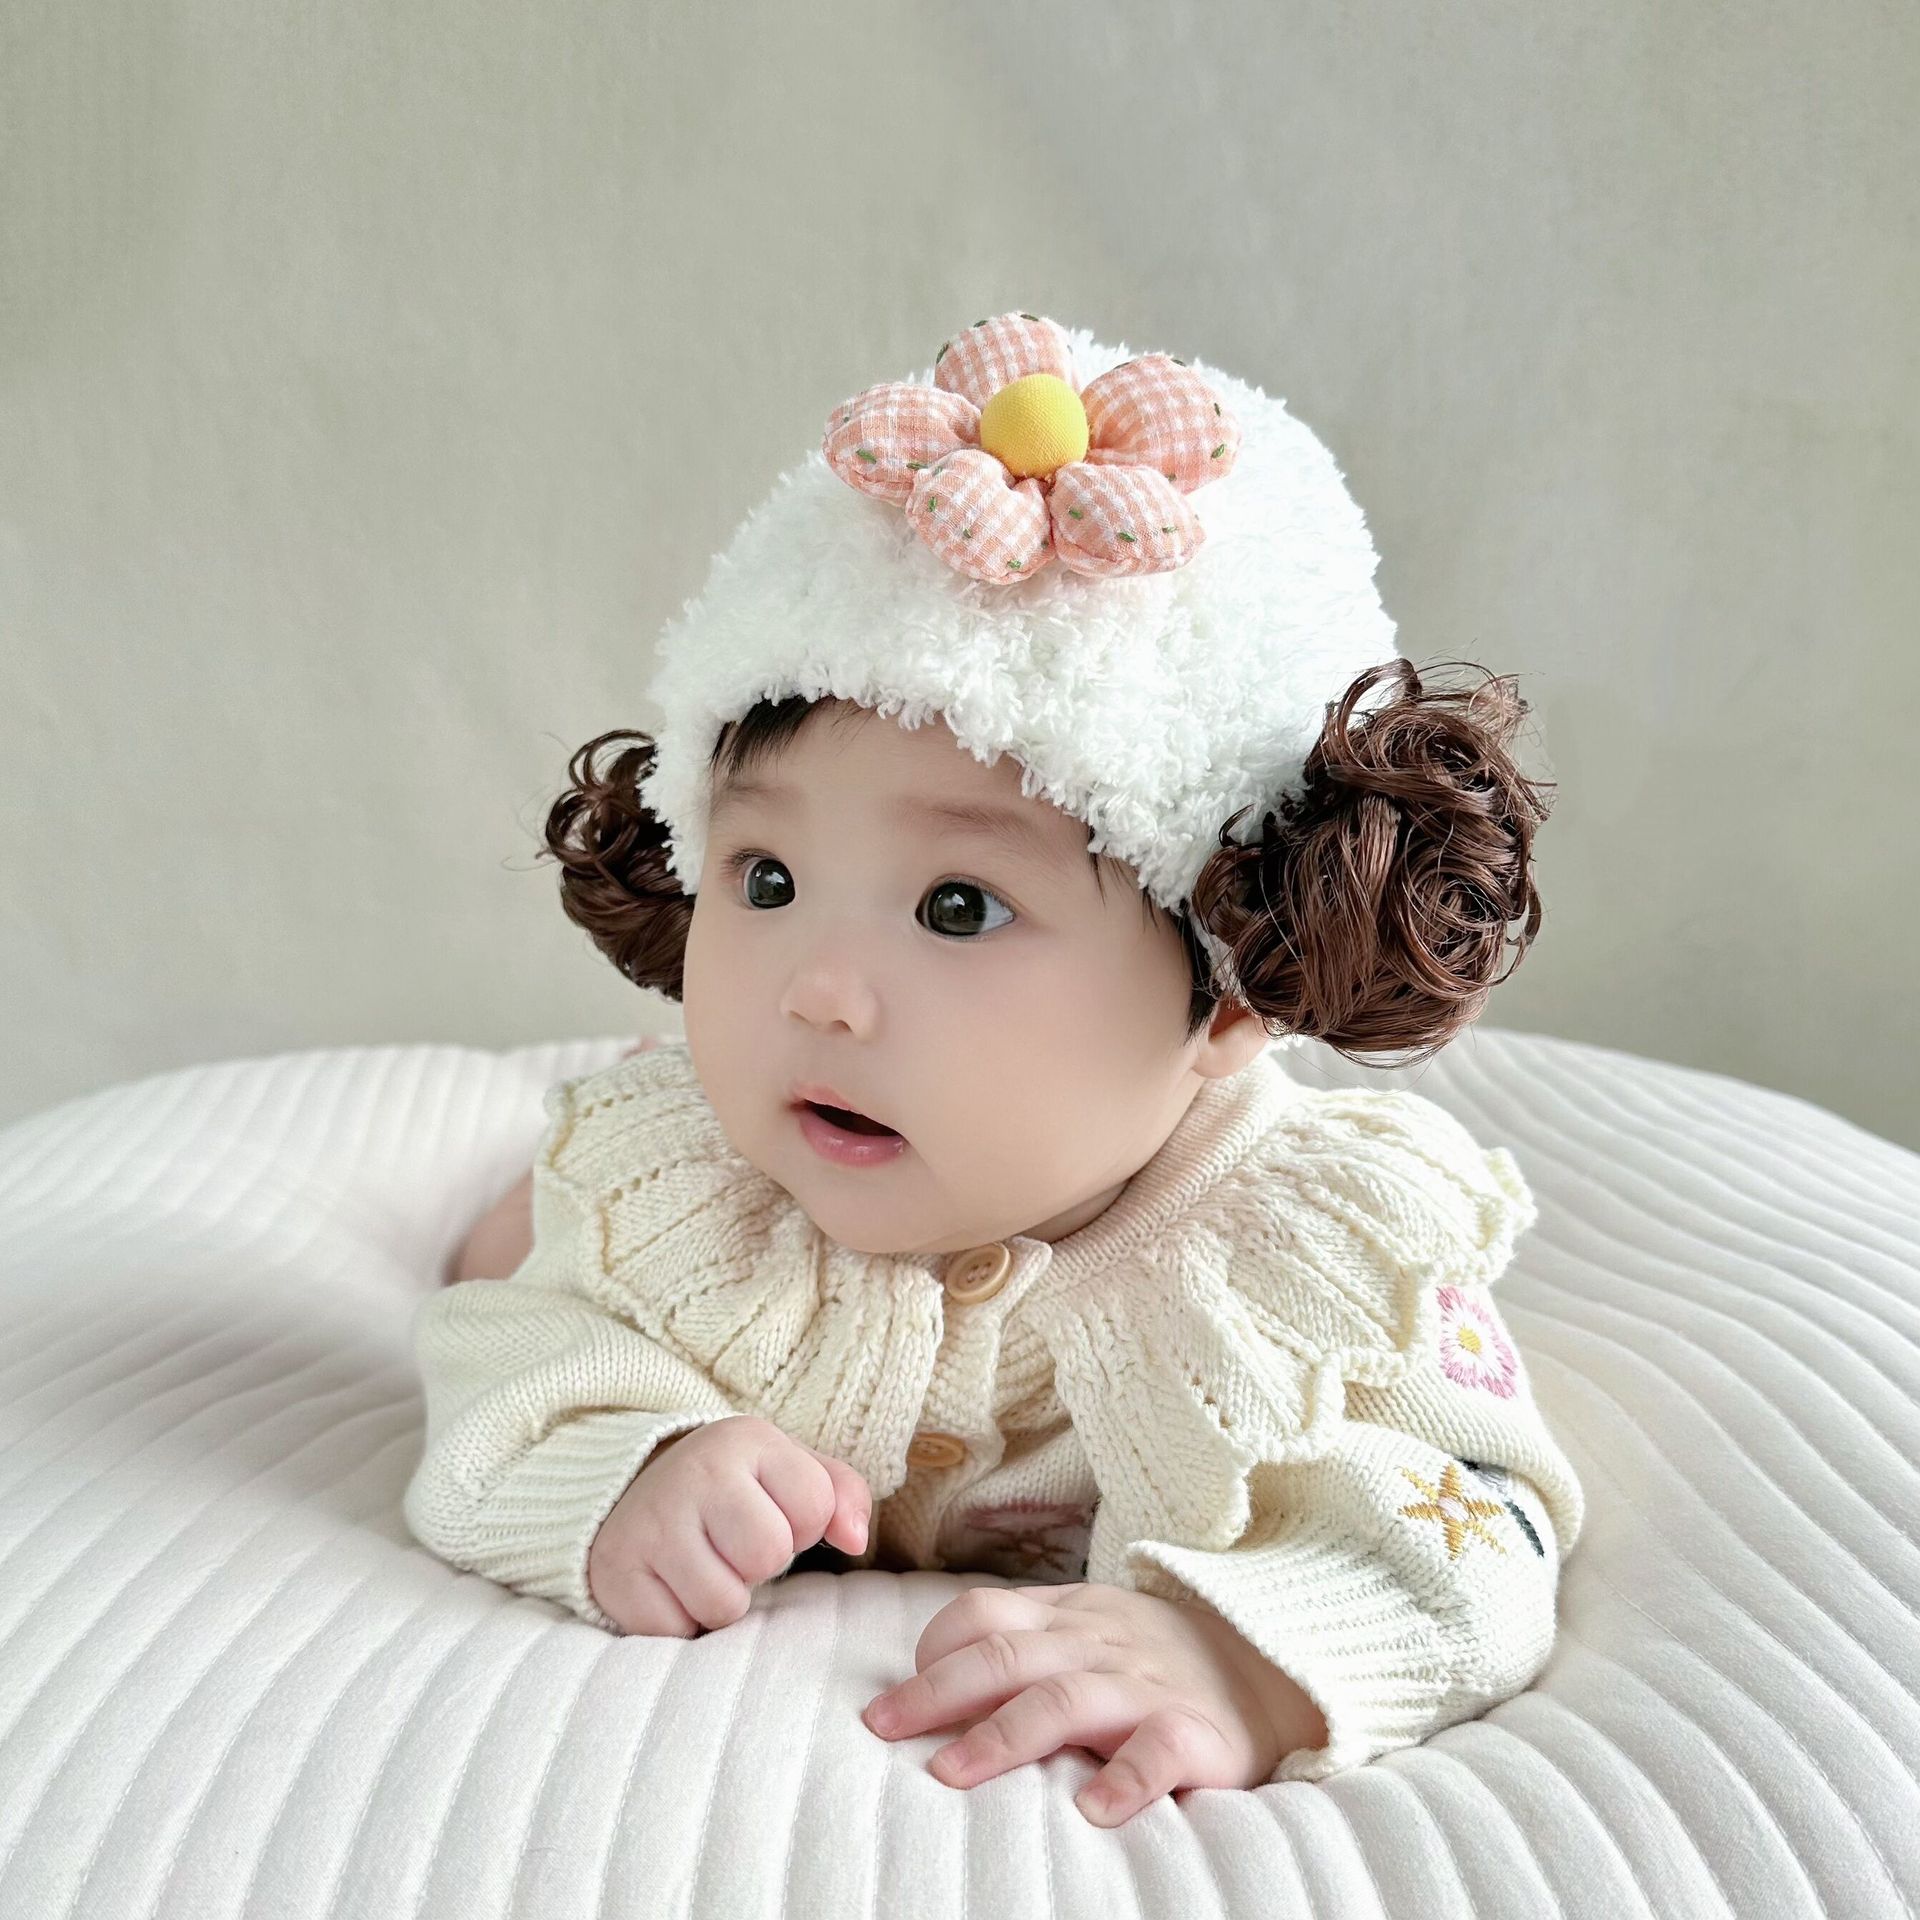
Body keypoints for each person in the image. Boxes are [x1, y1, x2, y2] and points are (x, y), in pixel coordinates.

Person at [405, 311, 1585, 1825]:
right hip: (674, 1175)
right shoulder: (689, 1192)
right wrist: (636, 1461)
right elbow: (505, 1360)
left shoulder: (1307, 1262)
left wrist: (1243, 1662)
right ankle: (504, 1194)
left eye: (959, 907)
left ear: (1235, 992)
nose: (818, 992)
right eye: (766, 879)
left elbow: (1478, 1521)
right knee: (521, 1236)